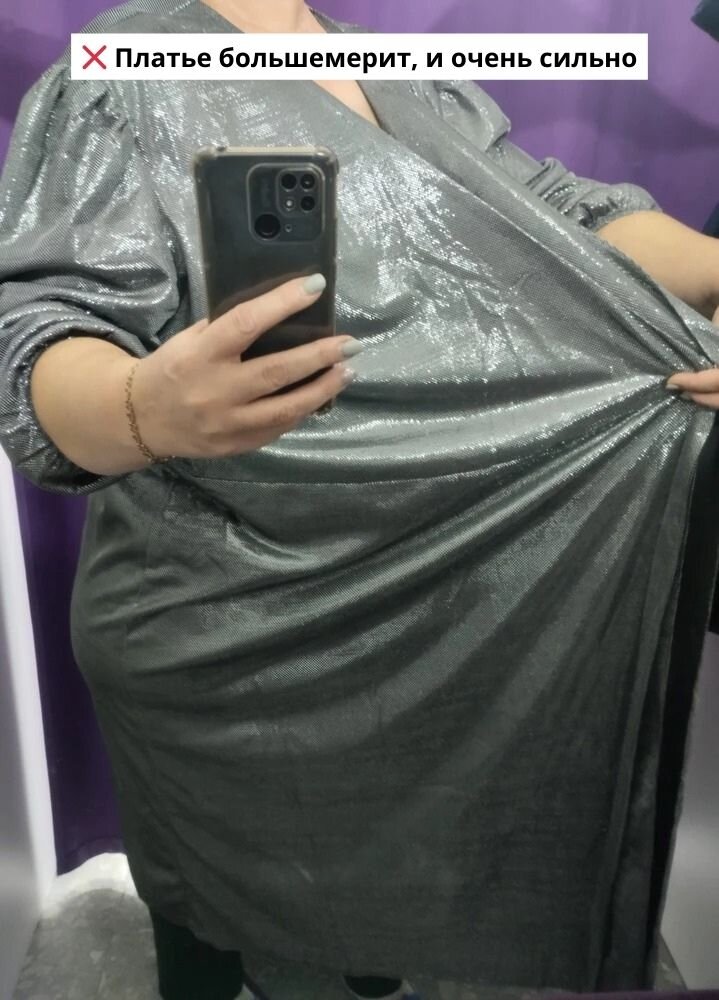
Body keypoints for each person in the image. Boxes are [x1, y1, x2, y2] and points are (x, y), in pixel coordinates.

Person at [2, 2, 719, 999]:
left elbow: (565, 215)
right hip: (228, 629)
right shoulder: (123, 72)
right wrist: (139, 406)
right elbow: (43, 326)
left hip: (421, 606)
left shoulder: (399, 71)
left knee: (376, 931)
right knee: (216, 925)